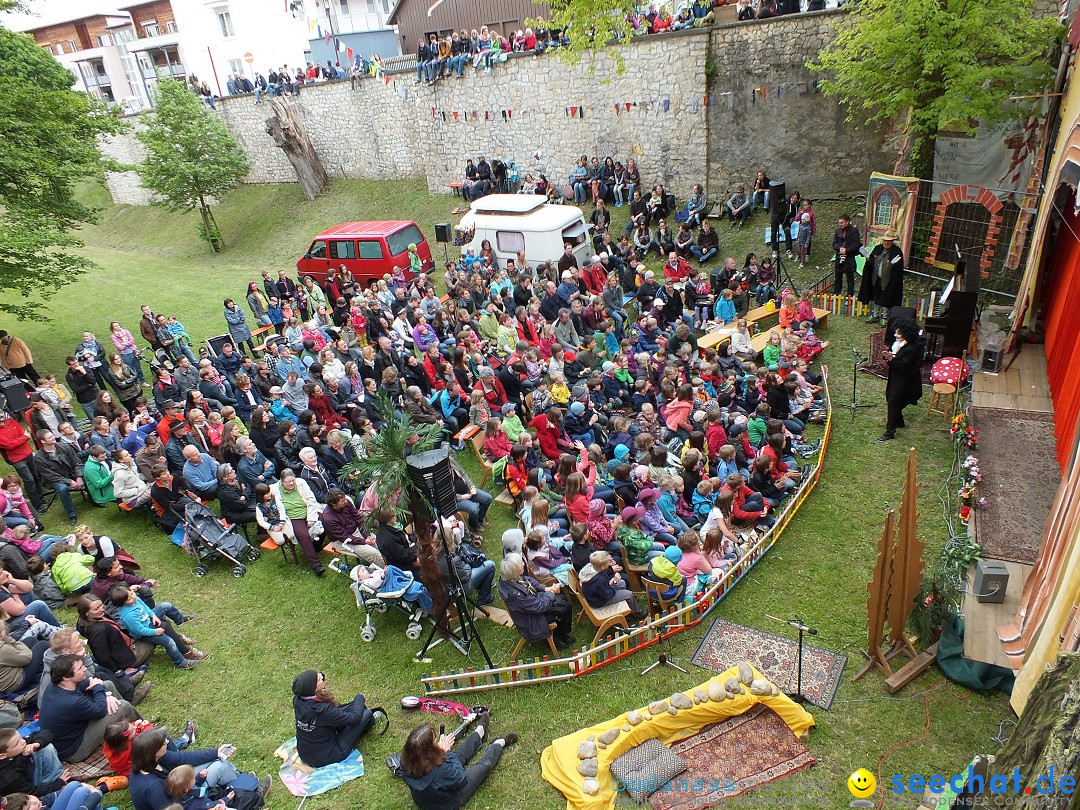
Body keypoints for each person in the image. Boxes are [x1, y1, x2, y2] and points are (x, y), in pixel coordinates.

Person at [400, 711, 517, 810]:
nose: (437, 741)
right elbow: (461, 778)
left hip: (423, 801)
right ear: (429, 751)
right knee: (483, 767)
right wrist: (447, 752)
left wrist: (442, 752)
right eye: (434, 740)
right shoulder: (443, 771)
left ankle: (480, 733)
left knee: (458, 755)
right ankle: (498, 744)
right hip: (452, 799)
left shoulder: (405, 761)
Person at [37, 653, 140, 763]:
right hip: (74, 749)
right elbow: (99, 710)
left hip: (74, 728)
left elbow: (91, 683)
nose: (85, 668)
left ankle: (127, 726)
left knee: (108, 684)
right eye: (80, 668)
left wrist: (107, 694)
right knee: (124, 706)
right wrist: (100, 689)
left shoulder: (58, 685)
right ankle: (145, 733)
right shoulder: (71, 701)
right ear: (66, 677)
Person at [291, 669, 379, 768]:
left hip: (305, 753)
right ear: (314, 689)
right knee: (365, 714)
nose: (322, 676)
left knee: (355, 707)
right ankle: (370, 720)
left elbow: (334, 712)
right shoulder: (322, 711)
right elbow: (355, 718)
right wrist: (359, 698)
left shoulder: (298, 700)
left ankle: (368, 721)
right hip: (328, 756)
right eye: (320, 679)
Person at [498, 553, 574, 648]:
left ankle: (561, 633)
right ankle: (558, 638)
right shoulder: (516, 595)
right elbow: (539, 607)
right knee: (565, 607)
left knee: (562, 599)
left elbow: (529, 581)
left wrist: (545, 589)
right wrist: (551, 592)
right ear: (514, 571)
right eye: (520, 563)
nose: (523, 564)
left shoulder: (510, 578)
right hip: (532, 621)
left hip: (531, 608)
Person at [879, 318, 924, 442]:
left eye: (898, 333)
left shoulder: (913, 348)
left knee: (894, 402)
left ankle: (889, 432)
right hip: (897, 377)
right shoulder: (899, 344)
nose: (895, 335)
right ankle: (899, 422)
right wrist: (889, 358)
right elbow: (895, 362)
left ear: (906, 334)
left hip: (906, 380)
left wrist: (891, 359)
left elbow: (904, 367)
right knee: (893, 399)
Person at [32, 430, 85, 526]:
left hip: (70, 473)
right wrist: (69, 481)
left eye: (52, 435)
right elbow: (50, 476)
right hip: (55, 480)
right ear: (43, 441)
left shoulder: (64, 446)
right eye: (50, 437)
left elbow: (76, 462)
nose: (53, 438)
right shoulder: (39, 458)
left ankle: (96, 500)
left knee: (87, 474)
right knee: (62, 489)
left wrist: (79, 476)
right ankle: (72, 514)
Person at [858, 227, 905, 323]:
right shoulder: (877, 249)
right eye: (885, 240)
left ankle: (884, 317)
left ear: (892, 241)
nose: (886, 243)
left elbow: (898, 269)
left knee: (886, 297)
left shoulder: (896, 252)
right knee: (877, 296)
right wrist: (867, 257)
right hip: (877, 278)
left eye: (889, 241)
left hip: (888, 280)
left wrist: (893, 265)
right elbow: (872, 263)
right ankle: (876, 315)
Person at [832, 213, 862, 296]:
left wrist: (847, 250)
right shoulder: (837, 231)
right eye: (839, 222)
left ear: (847, 222)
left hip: (849, 257)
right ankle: (836, 293)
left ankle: (849, 296)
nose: (840, 224)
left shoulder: (853, 231)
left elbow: (856, 245)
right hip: (839, 257)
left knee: (850, 278)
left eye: (841, 222)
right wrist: (839, 248)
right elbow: (834, 244)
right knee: (838, 277)